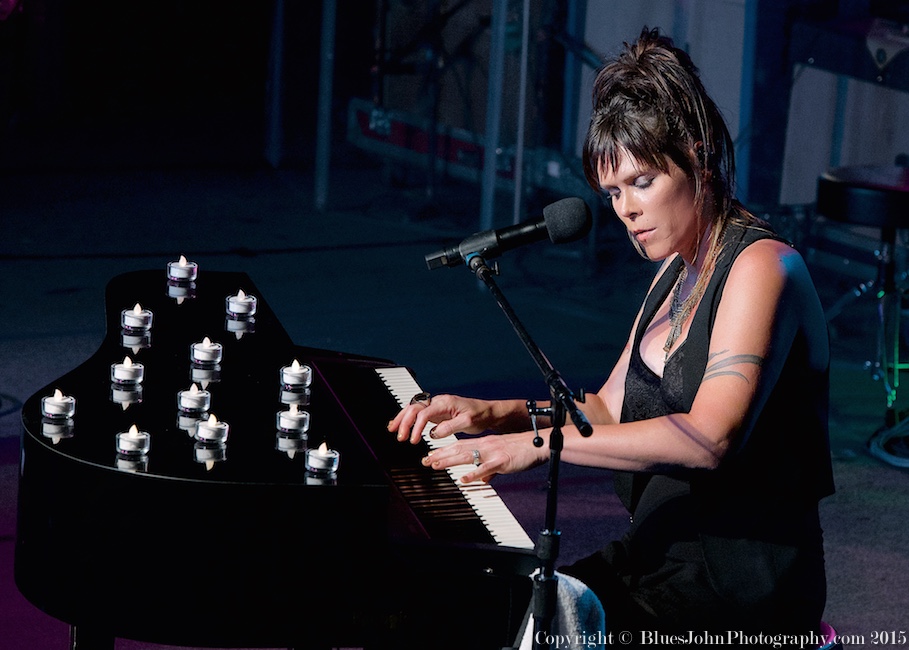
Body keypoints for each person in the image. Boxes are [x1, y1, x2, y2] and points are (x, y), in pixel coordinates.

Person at [388, 27, 834, 643]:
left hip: (736, 590)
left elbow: (709, 438)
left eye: (642, 182)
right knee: (490, 608)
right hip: (654, 557)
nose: (626, 209)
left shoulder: (762, 266)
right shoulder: (675, 271)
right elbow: (604, 408)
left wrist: (538, 445)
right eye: (613, 192)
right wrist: (494, 414)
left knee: (532, 629)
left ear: (699, 157)